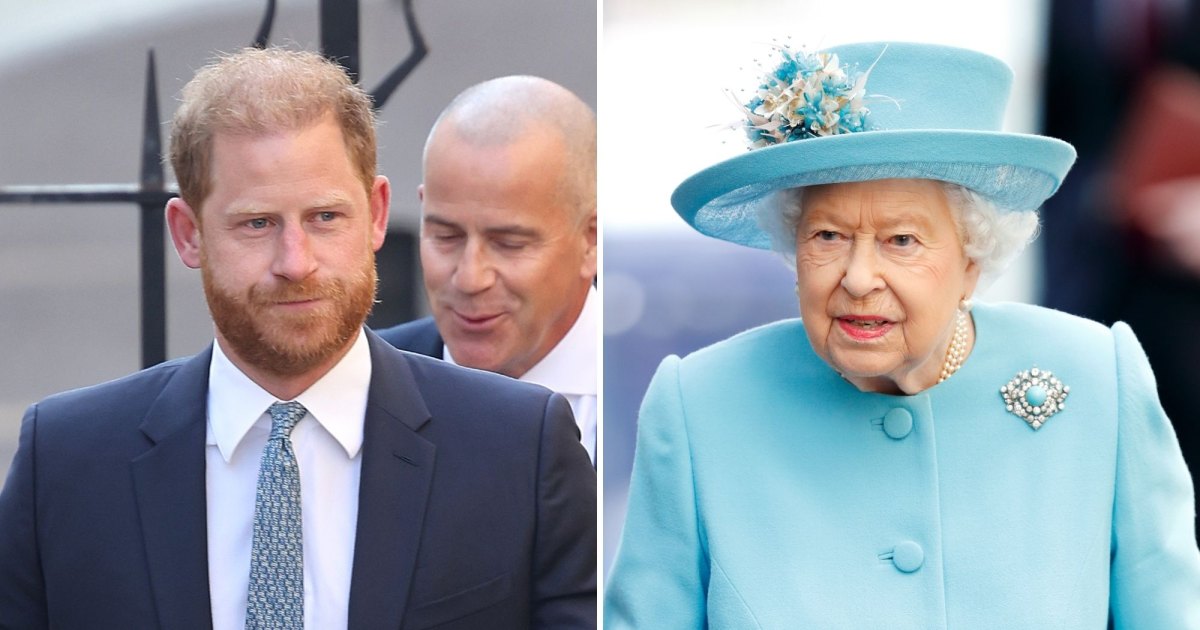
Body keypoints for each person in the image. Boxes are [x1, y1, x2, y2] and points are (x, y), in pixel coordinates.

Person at [604, 41, 1200, 627]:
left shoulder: (1096, 374)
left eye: (902, 240)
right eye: (828, 237)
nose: (859, 278)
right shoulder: (701, 404)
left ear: (972, 257)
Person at [0, 47, 595, 629]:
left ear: (377, 214)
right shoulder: (66, 461)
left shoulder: (520, 448)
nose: (296, 262)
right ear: (188, 234)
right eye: (257, 223)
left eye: (325, 218)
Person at [377, 76, 598, 463]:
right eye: (445, 236)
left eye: (509, 244)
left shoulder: (654, 399)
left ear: (591, 240)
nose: (470, 278)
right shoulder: (366, 384)